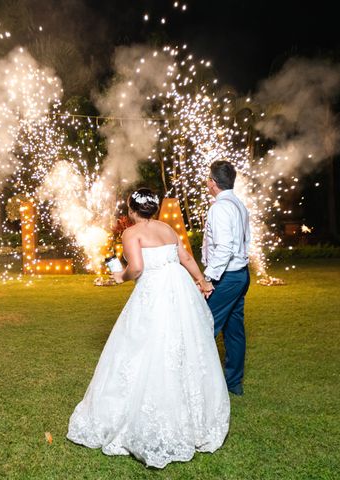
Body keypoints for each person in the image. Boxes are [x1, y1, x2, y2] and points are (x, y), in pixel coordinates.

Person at [67, 188, 230, 469]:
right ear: (153, 208)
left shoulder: (131, 233)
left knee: (142, 344)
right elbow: (188, 259)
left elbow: (138, 268)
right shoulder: (167, 228)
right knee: (182, 345)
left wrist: (120, 275)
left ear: (132, 210)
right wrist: (202, 282)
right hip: (179, 289)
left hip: (154, 291)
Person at [201, 160, 251, 396]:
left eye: (207, 179)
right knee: (234, 331)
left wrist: (208, 277)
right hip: (240, 274)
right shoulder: (239, 204)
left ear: (213, 182)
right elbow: (244, 241)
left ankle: (201, 384)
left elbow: (224, 248)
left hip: (227, 278)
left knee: (203, 326)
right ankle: (234, 383)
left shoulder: (219, 208)